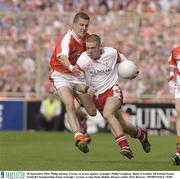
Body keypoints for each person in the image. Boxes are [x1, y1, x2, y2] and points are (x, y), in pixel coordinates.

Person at [75, 34, 151, 159]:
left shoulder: (111, 53)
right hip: (96, 97)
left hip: (112, 90)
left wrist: (133, 72)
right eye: (87, 48)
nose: (89, 51)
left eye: (93, 48)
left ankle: (124, 146)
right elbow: (76, 83)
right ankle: (141, 134)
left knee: (107, 114)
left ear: (100, 47)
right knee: (122, 125)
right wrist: (86, 89)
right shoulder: (83, 60)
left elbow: (126, 63)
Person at [49, 12, 96, 154]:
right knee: (70, 106)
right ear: (74, 24)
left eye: (86, 25)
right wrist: (70, 67)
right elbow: (62, 56)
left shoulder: (88, 40)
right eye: (81, 25)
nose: (84, 28)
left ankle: (82, 120)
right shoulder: (66, 38)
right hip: (62, 75)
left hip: (78, 77)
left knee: (92, 111)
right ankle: (79, 137)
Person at [167, 46, 180, 165]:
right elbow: (172, 62)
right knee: (179, 113)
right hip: (179, 86)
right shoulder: (176, 50)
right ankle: (178, 151)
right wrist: (171, 74)